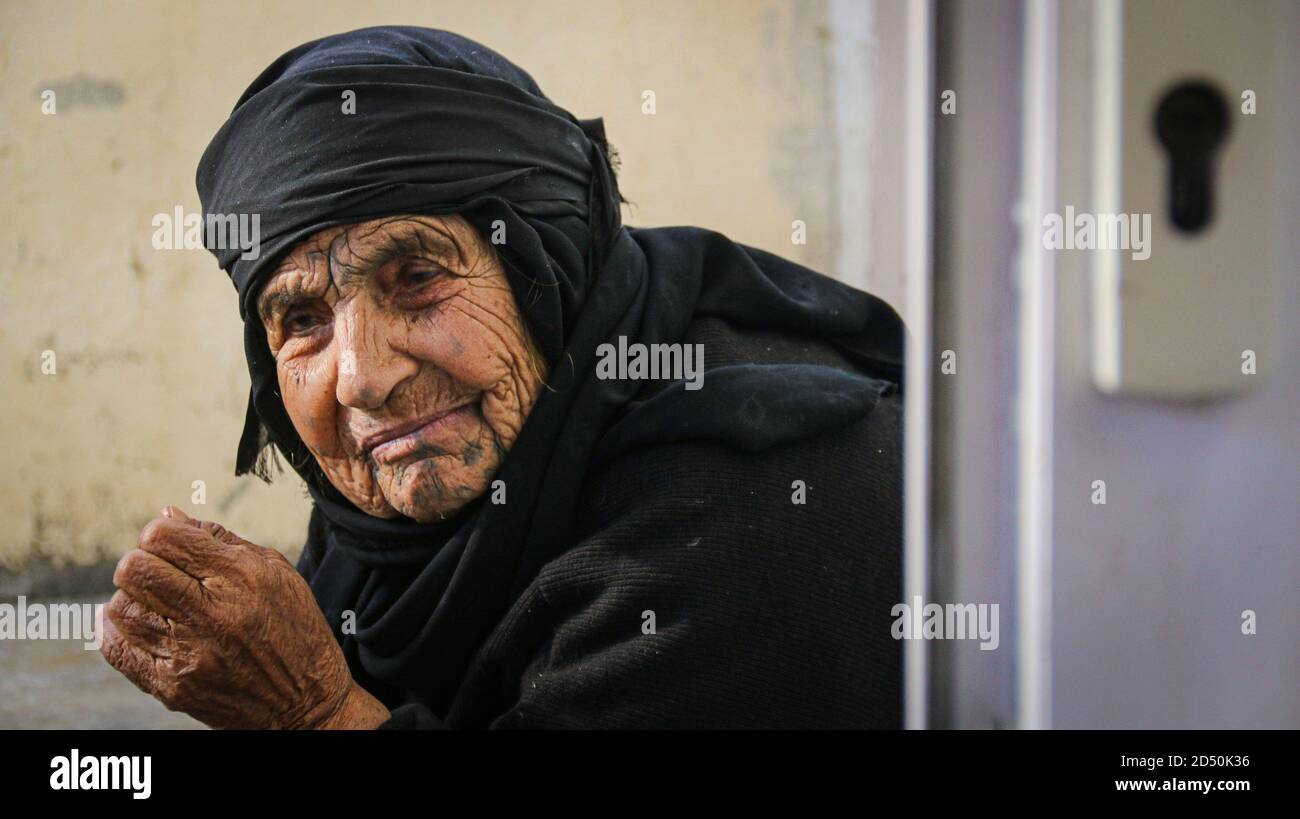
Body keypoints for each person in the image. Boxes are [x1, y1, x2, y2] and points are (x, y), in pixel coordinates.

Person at [100, 26, 906, 729]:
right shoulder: (391, 521)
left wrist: (312, 714)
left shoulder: (739, 513)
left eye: (416, 276)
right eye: (303, 319)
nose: (361, 379)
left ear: (542, 269)